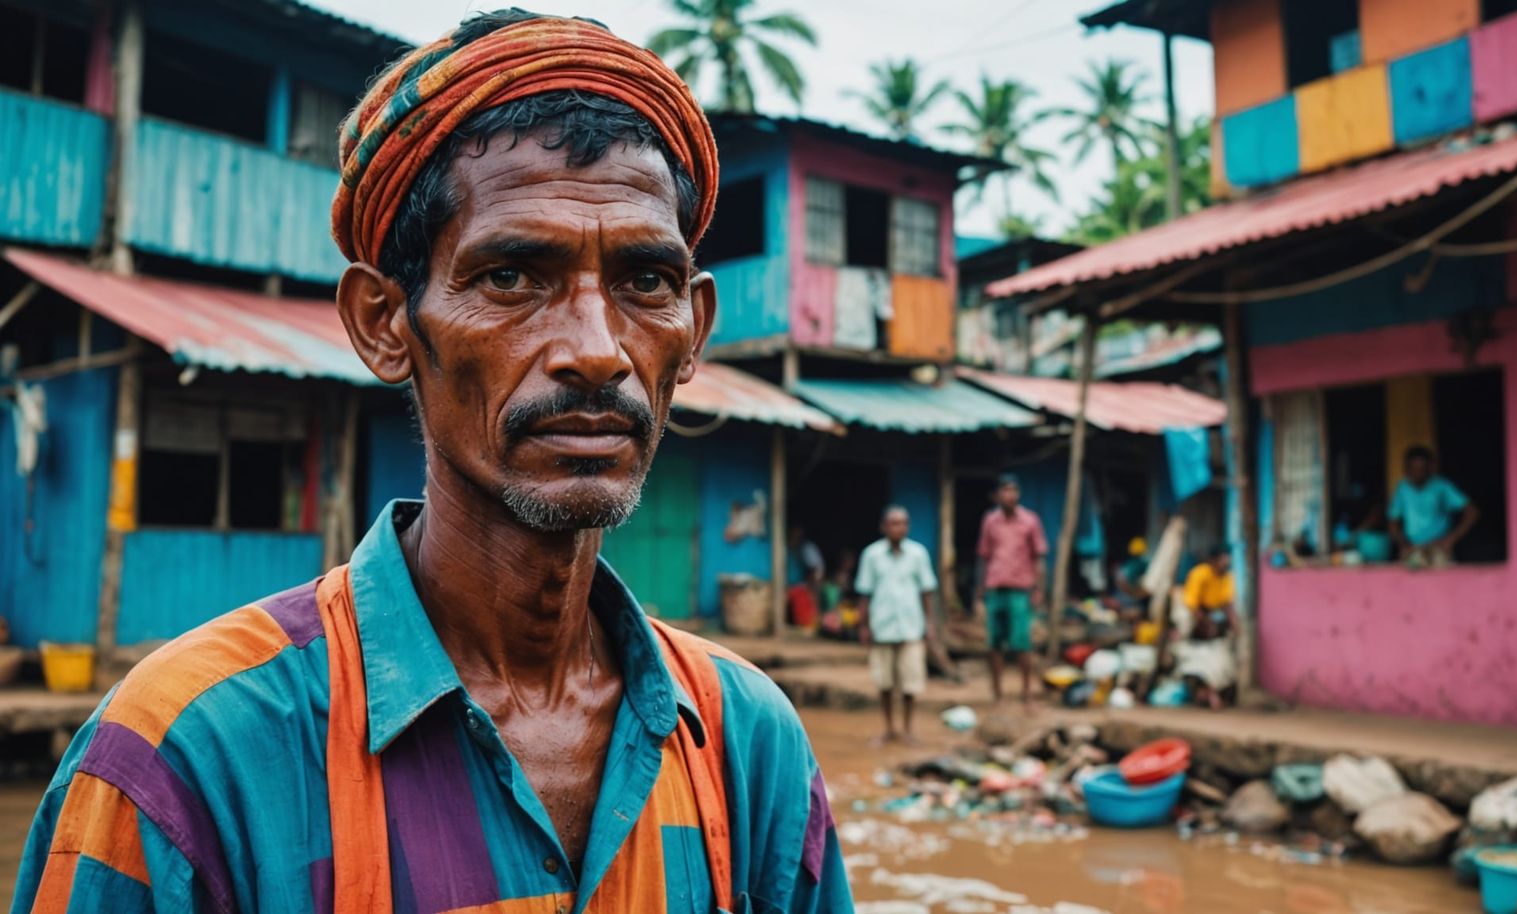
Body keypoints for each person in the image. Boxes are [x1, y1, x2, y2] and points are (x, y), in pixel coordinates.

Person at [11, 13, 850, 913]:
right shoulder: (186, 759)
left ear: (694, 335)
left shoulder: (745, 745)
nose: (598, 350)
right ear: (384, 323)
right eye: (512, 277)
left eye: (645, 283)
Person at [855, 506, 937, 746]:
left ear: (907, 527)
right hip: (882, 628)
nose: (897, 527)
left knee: (911, 683)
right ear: (883, 527)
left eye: (902, 523)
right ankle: (889, 729)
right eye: (892, 523)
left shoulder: (918, 554)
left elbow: (926, 592)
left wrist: (929, 623)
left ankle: (908, 729)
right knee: (885, 683)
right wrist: (864, 626)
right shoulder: (871, 555)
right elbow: (864, 594)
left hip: (911, 628)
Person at [974, 474, 1049, 708]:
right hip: (995, 588)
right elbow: (984, 556)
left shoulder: (1030, 520)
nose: (1011, 495)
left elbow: (1039, 557)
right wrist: (979, 592)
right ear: (997, 495)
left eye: (1014, 490)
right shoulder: (990, 521)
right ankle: (997, 693)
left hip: (1020, 590)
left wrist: (1039, 589)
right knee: (994, 644)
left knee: (1022, 644)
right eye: (1006, 490)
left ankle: (1027, 693)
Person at [1389, 445, 1479, 567]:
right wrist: (1404, 545)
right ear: (1407, 469)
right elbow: (1393, 523)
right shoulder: (1402, 488)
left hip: (1438, 548)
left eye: (1421, 469)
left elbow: (1472, 512)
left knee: (1443, 582)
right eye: (1413, 469)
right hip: (1413, 548)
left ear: (1429, 468)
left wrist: (1451, 539)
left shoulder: (1441, 486)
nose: (1417, 473)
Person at [1177, 545, 1238, 709]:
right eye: (1222, 559)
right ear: (1213, 560)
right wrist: (1205, 622)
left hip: (1213, 620)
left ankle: (1214, 692)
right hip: (1196, 619)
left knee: (1223, 657)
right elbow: (1192, 605)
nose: (1225, 563)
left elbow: (1227, 604)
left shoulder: (1226, 578)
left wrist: (1234, 624)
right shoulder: (1199, 574)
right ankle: (1204, 692)